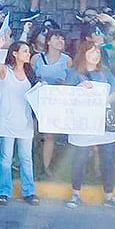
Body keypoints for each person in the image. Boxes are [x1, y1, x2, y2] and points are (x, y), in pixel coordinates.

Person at [63, 40, 115, 210]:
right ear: (83, 54)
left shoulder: (105, 72)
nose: (95, 55)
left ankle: (109, 195)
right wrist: (79, 88)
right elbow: (64, 94)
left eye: (97, 53)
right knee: (80, 158)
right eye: (91, 52)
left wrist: (105, 100)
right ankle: (75, 193)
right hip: (81, 121)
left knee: (108, 158)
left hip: (102, 119)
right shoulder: (74, 73)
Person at [0, 36, 40, 206]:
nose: (28, 54)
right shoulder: (6, 70)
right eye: (24, 51)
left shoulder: (30, 74)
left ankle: (29, 191)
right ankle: (4, 192)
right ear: (15, 54)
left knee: (26, 158)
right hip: (7, 122)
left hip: (25, 123)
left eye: (28, 51)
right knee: (6, 158)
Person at [31, 29, 72, 178]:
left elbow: (71, 81)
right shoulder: (36, 59)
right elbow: (29, 78)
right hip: (38, 101)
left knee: (49, 135)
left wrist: (63, 85)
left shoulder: (67, 60)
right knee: (33, 133)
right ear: (48, 41)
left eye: (62, 38)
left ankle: (46, 166)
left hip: (56, 103)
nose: (60, 40)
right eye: (56, 38)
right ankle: (26, 162)